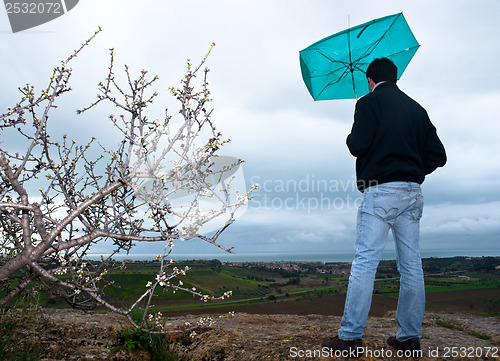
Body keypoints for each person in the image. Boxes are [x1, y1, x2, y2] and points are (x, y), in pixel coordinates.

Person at [321, 58, 447, 356]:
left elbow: (357, 145)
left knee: (365, 263)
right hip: (413, 192)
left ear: (370, 79)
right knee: (411, 266)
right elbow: (438, 156)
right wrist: (412, 168)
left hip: (380, 192)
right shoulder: (418, 109)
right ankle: (408, 338)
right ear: (395, 76)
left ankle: (350, 337)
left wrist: (354, 134)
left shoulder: (368, 103)